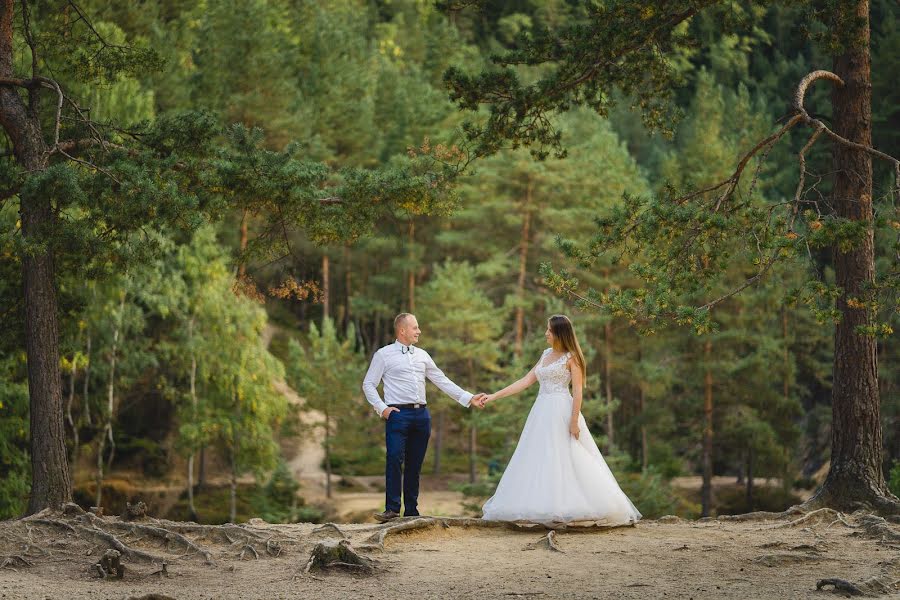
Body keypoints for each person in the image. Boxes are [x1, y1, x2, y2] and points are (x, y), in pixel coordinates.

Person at [480, 315, 641, 526]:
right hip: (541, 412)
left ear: (559, 333)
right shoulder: (546, 354)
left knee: (566, 456)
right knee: (538, 456)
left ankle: (569, 506)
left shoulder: (572, 358)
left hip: (562, 411)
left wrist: (574, 421)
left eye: (549, 330)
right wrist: (493, 396)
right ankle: (540, 506)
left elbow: (578, 391)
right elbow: (525, 381)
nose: (546, 333)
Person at [363, 313, 486, 522]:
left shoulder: (423, 355)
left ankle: (411, 512)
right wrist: (382, 408)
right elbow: (368, 384)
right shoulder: (383, 355)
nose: (419, 331)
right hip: (397, 414)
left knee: (415, 464)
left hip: (422, 416)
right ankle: (392, 509)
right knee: (394, 458)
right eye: (415, 328)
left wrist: (468, 398)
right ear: (402, 330)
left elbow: (441, 380)